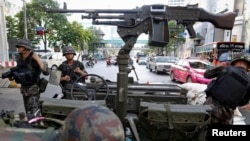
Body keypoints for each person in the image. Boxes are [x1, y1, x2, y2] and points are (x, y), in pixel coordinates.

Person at [203, 53, 250, 125]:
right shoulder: (248, 82)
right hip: (226, 116)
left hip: (210, 110)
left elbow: (207, 75)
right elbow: (243, 103)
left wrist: (218, 66)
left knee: (203, 133)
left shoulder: (225, 69)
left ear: (236, 62)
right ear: (248, 66)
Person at [8, 39, 49, 119]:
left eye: (20, 47)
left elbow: (46, 72)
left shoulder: (34, 58)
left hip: (33, 90)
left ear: (26, 48)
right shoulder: (20, 59)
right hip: (24, 90)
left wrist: (38, 59)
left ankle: (37, 129)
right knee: (28, 113)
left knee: (35, 113)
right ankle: (31, 128)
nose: (18, 48)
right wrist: (12, 75)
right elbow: (19, 70)